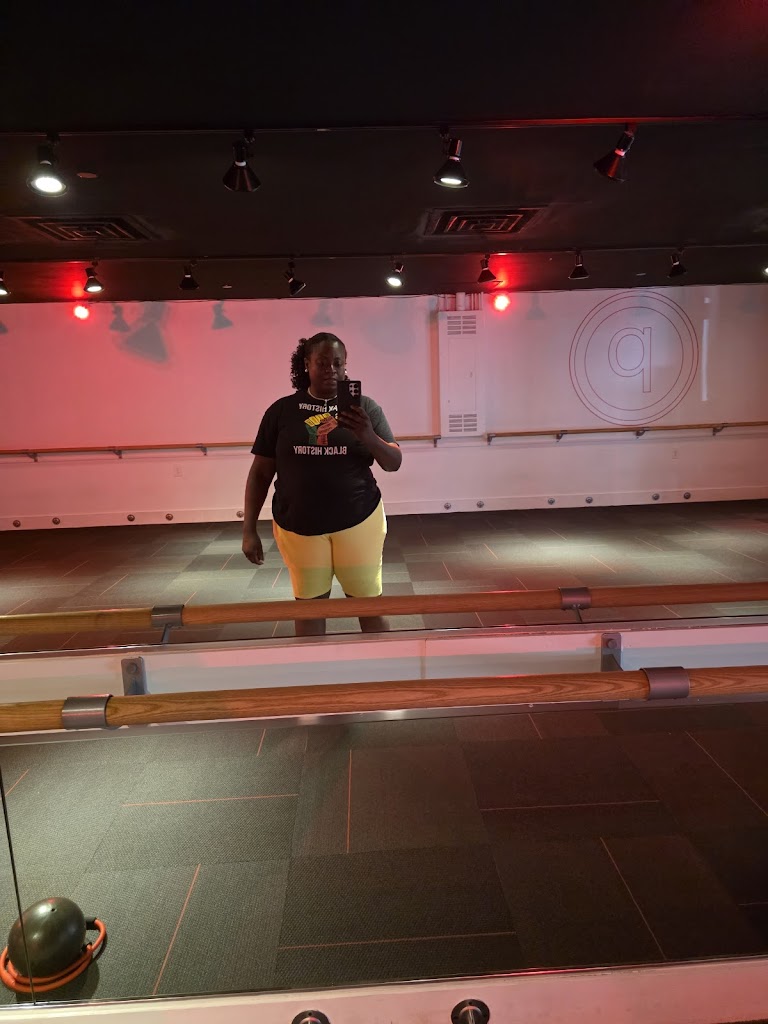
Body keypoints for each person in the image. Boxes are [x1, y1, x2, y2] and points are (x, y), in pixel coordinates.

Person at [242, 332, 402, 635]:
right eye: (322, 362)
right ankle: (312, 665)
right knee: (309, 609)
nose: (331, 370)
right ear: (307, 364)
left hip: (358, 520)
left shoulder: (364, 408)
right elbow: (261, 473)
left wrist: (367, 434)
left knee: (368, 606)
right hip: (298, 525)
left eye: (337, 363)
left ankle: (384, 663)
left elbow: (393, 462)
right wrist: (248, 529)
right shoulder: (281, 411)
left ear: (346, 365)